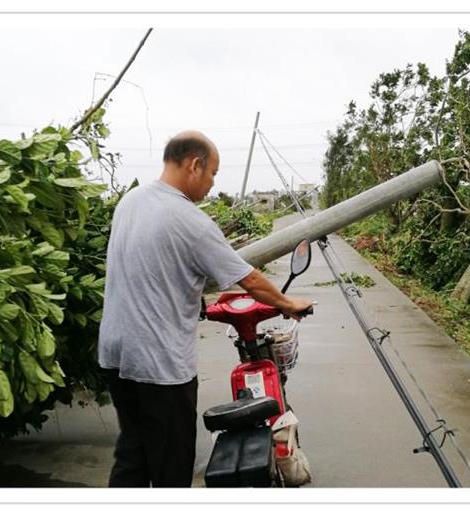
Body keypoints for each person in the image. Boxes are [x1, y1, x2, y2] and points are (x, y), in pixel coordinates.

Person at [97, 130, 313, 487]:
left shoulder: (131, 201)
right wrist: (290, 304)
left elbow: (151, 264)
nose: (213, 183)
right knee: (172, 463)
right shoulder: (191, 220)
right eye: (212, 173)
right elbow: (249, 279)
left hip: (116, 354)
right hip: (159, 364)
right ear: (194, 165)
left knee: (133, 454)